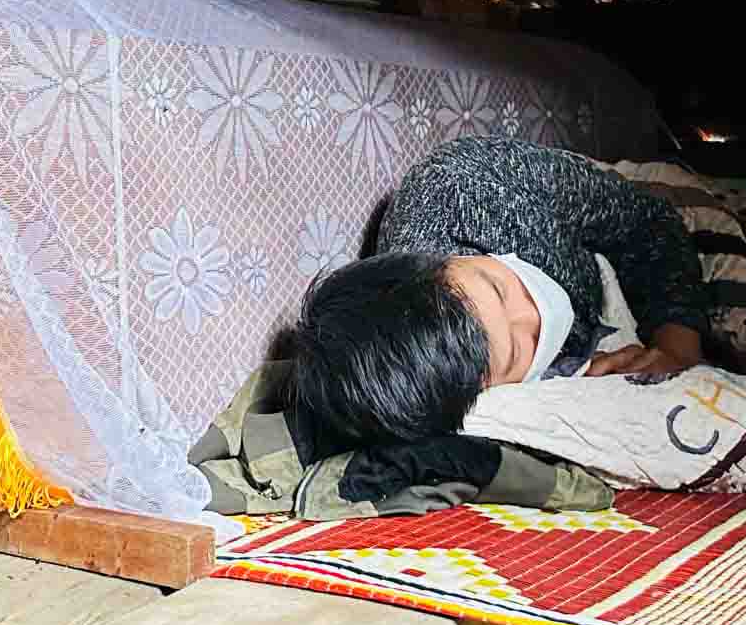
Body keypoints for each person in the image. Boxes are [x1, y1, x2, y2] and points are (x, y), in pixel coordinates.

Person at [290, 136, 711, 451]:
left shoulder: (474, 182)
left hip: (592, 190)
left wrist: (678, 340)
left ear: (441, 261)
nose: (536, 312)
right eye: (520, 346)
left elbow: (648, 220)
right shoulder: (446, 390)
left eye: (498, 288)